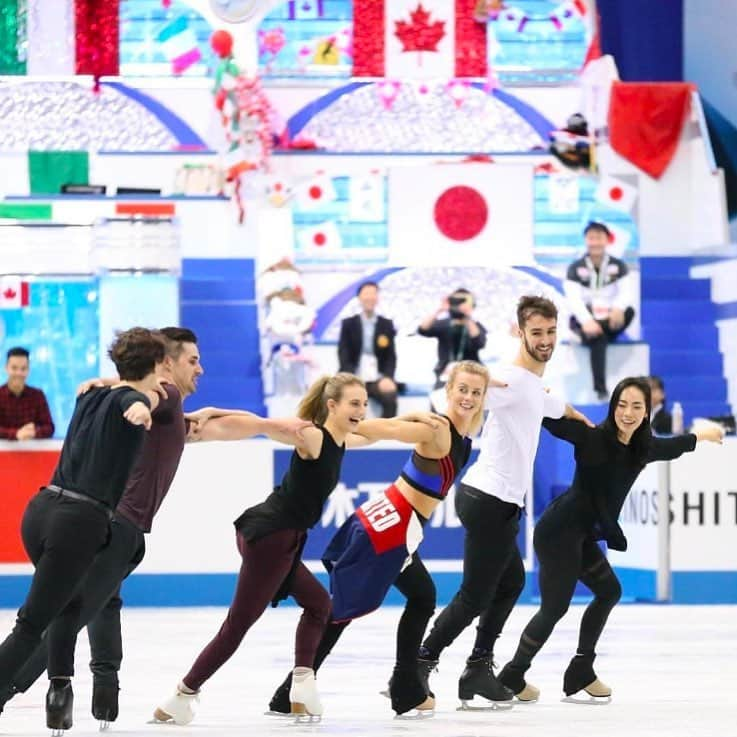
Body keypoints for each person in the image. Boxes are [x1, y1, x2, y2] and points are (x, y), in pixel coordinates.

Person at [0, 327, 312, 727]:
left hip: (100, 524)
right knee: (68, 614)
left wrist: (272, 427)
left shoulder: (171, 418)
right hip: (113, 528)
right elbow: (145, 394)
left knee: (101, 604)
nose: (200, 368)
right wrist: (126, 389)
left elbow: (212, 423)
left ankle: (102, 690)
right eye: (192, 360)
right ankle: (16, 688)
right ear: (166, 363)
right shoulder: (161, 396)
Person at [152, 373, 442, 724]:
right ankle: (181, 696)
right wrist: (210, 419)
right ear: (331, 405)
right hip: (271, 537)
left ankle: (301, 686)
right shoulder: (313, 436)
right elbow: (258, 425)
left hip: (280, 538)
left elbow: (380, 429)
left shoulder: (342, 439)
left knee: (320, 606)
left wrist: (414, 418)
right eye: (354, 404)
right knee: (238, 625)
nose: (361, 410)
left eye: (364, 404)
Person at [267, 361, 496, 718]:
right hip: (392, 526)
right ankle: (296, 692)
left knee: (417, 597)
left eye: (476, 392)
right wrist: (339, 426)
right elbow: (383, 430)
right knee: (343, 611)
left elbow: (494, 390)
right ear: (448, 390)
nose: (468, 397)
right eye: (462, 389)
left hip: (392, 519)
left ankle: (401, 686)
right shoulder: (436, 429)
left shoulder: (467, 429)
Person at [498, 377, 724, 703]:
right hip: (558, 533)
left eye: (636, 406)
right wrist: (538, 397)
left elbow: (676, 445)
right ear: (612, 405)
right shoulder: (592, 438)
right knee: (555, 607)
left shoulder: (642, 449)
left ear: (647, 412)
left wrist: (705, 434)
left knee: (609, 592)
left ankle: (581, 669)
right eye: (621, 404)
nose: (627, 412)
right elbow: (552, 422)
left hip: (583, 534)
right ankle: (512, 674)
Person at [418, 295, 591, 710]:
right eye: (537, 332)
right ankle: (418, 663)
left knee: (510, 582)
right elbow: (460, 390)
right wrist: (467, 391)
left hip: (499, 501)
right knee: (475, 595)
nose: (545, 340)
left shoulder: (531, 384)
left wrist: (584, 420)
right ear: (520, 332)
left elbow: (552, 405)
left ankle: (478, 668)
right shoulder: (508, 380)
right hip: (487, 498)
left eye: (550, 332)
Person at [0, 327, 164, 733]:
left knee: (68, 606)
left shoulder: (91, 394)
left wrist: (119, 385)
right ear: (157, 366)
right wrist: (140, 408)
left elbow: (119, 388)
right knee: (30, 624)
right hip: (78, 521)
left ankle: (59, 690)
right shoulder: (132, 399)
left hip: (41, 510)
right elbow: (139, 400)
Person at [564, 221, 636, 400]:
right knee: (598, 336)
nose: (595, 242)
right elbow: (573, 299)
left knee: (629, 312)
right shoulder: (575, 267)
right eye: (591, 238)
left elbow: (627, 292)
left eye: (599, 238)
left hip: (610, 318)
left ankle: (596, 334)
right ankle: (600, 388)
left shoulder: (618, 266)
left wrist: (618, 308)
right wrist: (587, 320)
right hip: (585, 319)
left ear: (607, 240)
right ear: (586, 240)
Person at [338, 280, 398, 417]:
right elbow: (343, 353)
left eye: (373, 294)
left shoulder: (386, 324)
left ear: (378, 297)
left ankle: (386, 434)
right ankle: (354, 435)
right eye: (366, 294)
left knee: (390, 395)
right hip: (354, 376)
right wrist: (350, 377)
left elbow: (391, 356)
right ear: (359, 297)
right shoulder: (348, 324)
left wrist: (388, 377)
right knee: (350, 397)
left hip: (378, 378)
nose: (370, 298)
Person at [418, 288, 487, 389]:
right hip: (446, 373)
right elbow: (423, 330)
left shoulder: (475, 325)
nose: (459, 304)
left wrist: (467, 316)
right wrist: (440, 310)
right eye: (456, 301)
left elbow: (479, 343)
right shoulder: (445, 324)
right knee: (438, 398)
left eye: (463, 301)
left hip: (472, 373)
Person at [0, 346, 54, 439]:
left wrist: (34, 432)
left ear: (28, 370)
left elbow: (49, 427)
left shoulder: (38, 396)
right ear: (6, 368)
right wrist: (16, 434)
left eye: (23, 368)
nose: (19, 373)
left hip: (31, 451)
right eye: (14, 368)